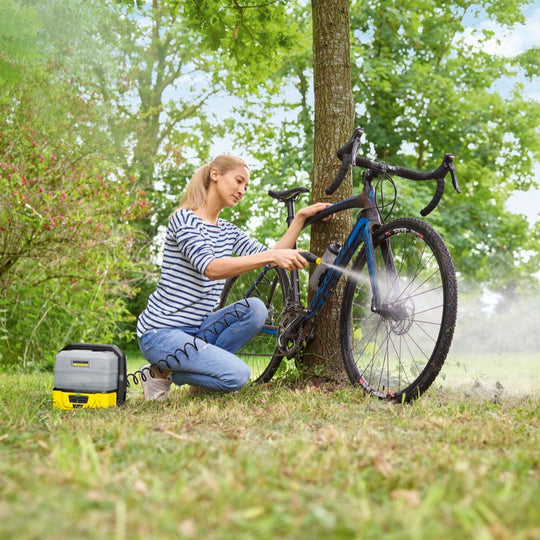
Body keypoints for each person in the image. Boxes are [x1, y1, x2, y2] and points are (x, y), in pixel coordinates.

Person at [137, 155, 332, 401]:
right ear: (215, 174)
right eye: (238, 181)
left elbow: (271, 257)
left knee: (256, 309)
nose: (242, 190)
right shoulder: (184, 219)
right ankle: (159, 372)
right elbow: (211, 268)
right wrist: (272, 255)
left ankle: (181, 372)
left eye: (246, 187)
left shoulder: (228, 231)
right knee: (237, 376)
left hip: (198, 332)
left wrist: (300, 219)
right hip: (161, 333)